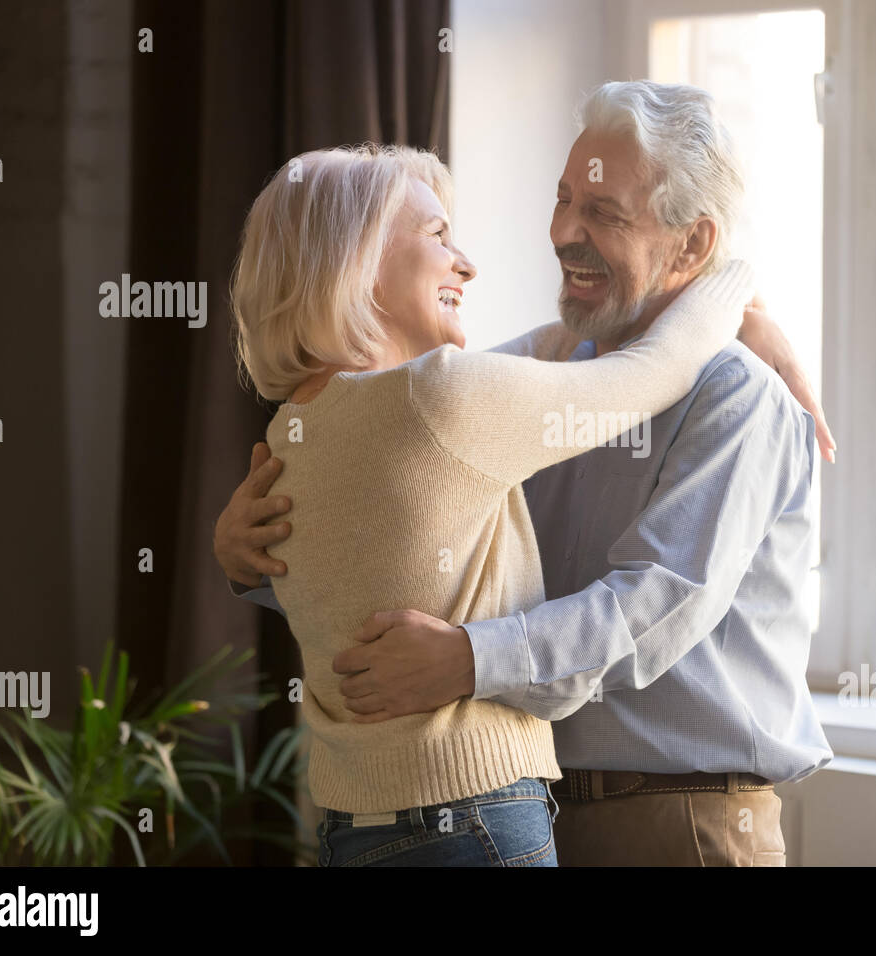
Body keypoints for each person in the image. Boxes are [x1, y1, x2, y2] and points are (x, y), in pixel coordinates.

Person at [220, 82, 837, 866]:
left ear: (690, 246)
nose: (564, 233)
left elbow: (652, 604)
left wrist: (474, 659)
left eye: (604, 213)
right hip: (523, 809)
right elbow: (395, 545)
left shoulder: (737, 396)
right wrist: (252, 561)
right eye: (564, 199)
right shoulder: (521, 380)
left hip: (681, 824)